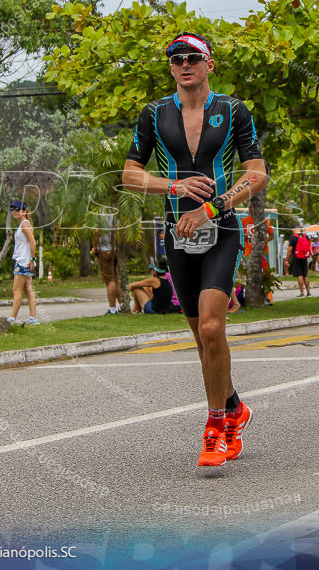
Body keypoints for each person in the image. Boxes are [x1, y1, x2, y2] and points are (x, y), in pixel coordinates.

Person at [122, 31, 267, 467]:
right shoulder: (154, 114)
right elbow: (130, 174)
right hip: (177, 236)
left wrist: (211, 206)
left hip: (221, 229)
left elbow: (256, 174)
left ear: (209, 64)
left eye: (193, 57)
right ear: (170, 67)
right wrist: (173, 185)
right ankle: (236, 407)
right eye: (176, 58)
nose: (184, 64)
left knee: (210, 329)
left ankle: (216, 427)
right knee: (204, 341)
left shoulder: (233, 110)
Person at [7, 200, 39, 325]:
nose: (15, 211)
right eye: (13, 209)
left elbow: (33, 243)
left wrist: (32, 260)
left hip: (23, 262)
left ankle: (12, 318)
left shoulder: (25, 225)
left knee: (16, 290)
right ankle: (33, 318)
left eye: (17, 209)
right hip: (23, 260)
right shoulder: (23, 224)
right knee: (28, 289)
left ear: (24, 211)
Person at [92, 219, 120, 315]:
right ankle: (122, 306)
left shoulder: (101, 212)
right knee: (117, 278)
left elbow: (97, 231)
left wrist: (95, 247)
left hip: (105, 249)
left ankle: (112, 309)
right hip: (118, 250)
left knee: (110, 279)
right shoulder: (117, 210)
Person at [285, 229, 312, 297]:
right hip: (304, 257)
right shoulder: (306, 236)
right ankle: (308, 292)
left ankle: (302, 293)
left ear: (294, 229)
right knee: (305, 275)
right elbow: (309, 246)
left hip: (297, 257)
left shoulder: (293, 237)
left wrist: (287, 259)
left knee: (299, 275)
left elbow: (290, 249)